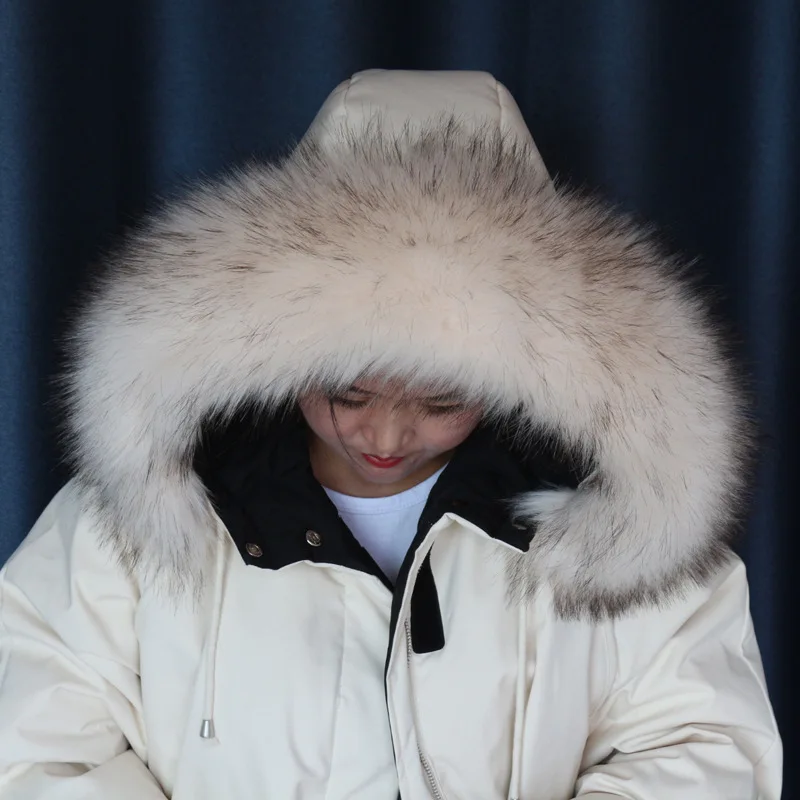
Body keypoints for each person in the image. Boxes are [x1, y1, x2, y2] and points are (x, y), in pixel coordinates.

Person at [0, 70, 782, 799]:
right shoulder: (140, 514)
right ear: (278, 352)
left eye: (442, 399)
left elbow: (701, 746)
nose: (384, 432)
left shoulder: (624, 532)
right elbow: (34, 744)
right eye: (347, 390)